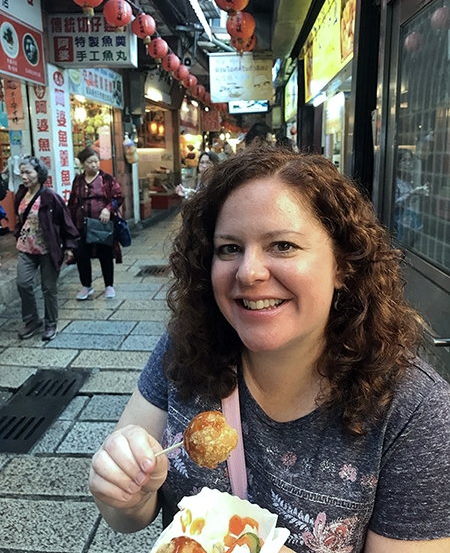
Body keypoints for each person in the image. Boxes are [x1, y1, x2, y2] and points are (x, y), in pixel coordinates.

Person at [89, 146, 450, 552]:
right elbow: (127, 516)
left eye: (282, 245)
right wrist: (126, 494)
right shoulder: (187, 347)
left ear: (343, 264)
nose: (249, 272)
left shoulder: (414, 410)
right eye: (229, 248)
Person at [14, 157, 79, 341]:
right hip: (25, 247)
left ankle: (51, 323)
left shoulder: (50, 196)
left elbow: (66, 223)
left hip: (48, 249)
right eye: (22, 172)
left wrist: (69, 247)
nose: (24, 176)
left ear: (39, 173)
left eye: (28, 172)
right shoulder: (20, 193)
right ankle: (32, 320)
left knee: (48, 288)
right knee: (23, 283)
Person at [68, 146, 123, 300]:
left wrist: (108, 209)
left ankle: (109, 285)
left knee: (104, 254)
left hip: (101, 224)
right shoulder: (78, 180)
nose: (94, 165)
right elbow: (72, 202)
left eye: (96, 161)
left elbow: (118, 197)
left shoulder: (107, 179)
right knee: (81, 255)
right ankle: (86, 286)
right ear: (82, 164)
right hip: (81, 224)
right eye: (90, 162)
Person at [394, 148, 430, 246]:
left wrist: (419, 193)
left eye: (410, 160)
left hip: (408, 223)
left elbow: (407, 201)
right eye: (404, 160)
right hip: (397, 223)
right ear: (397, 164)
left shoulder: (406, 181)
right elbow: (394, 204)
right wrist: (412, 192)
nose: (408, 163)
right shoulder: (394, 182)